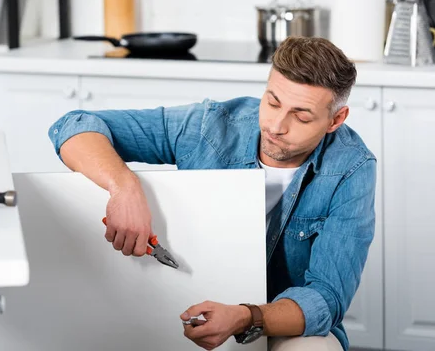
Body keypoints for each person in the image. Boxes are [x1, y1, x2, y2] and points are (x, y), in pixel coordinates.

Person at [47, 36, 376, 351]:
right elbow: (75, 125)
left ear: (336, 119)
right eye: (272, 102)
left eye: (301, 116)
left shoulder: (351, 167)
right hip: (183, 304)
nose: (276, 126)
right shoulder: (212, 125)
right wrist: (123, 187)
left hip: (278, 321)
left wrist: (247, 316)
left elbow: (327, 297)